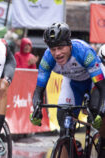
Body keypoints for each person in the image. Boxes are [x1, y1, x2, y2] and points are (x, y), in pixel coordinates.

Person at [30, 22, 105, 157]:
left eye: (60, 48)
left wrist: (101, 110)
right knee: (63, 121)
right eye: (53, 49)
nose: (57, 53)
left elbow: (101, 87)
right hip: (73, 83)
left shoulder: (84, 52)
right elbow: (38, 90)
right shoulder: (47, 59)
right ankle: (74, 147)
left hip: (94, 82)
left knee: (97, 112)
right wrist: (36, 109)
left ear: (69, 45)